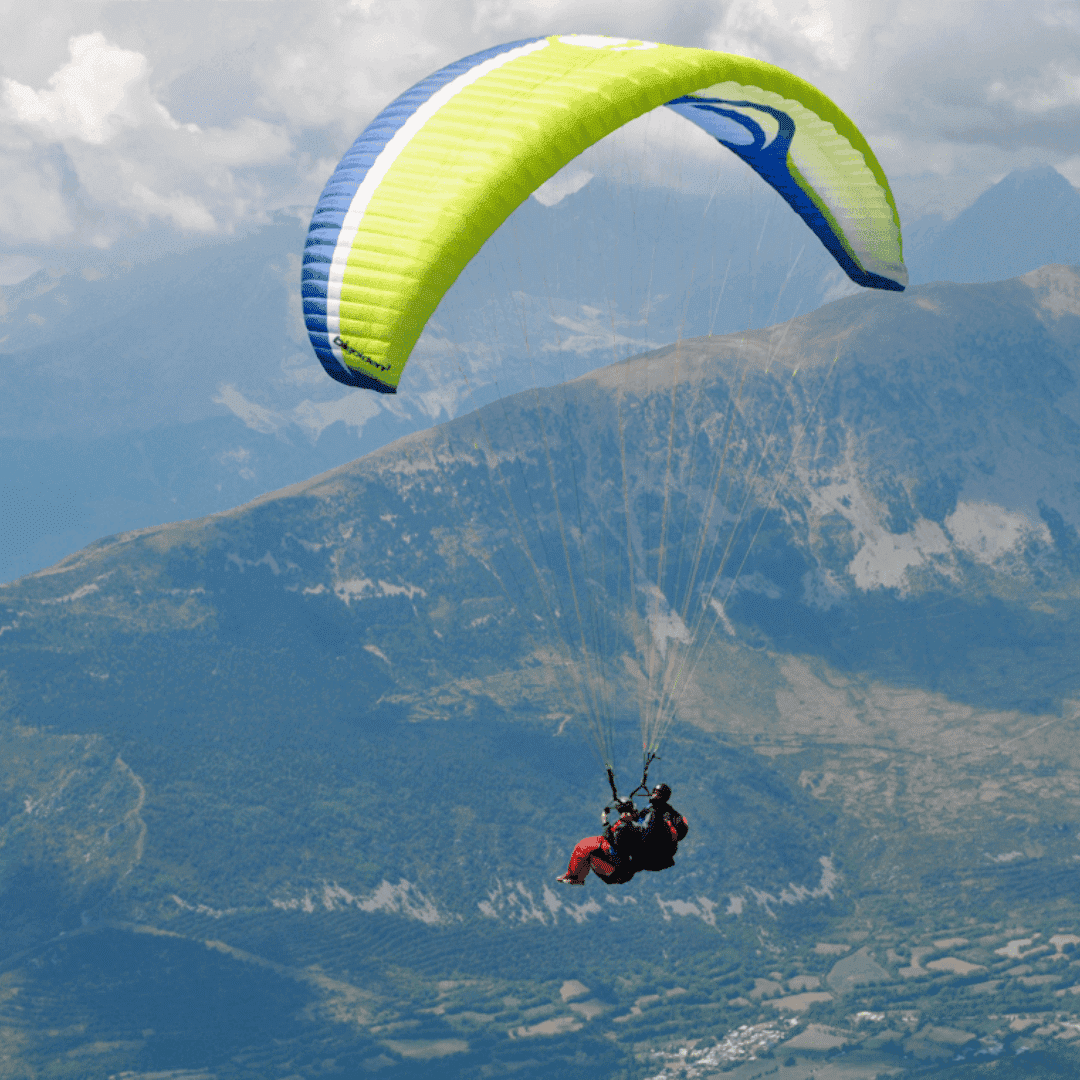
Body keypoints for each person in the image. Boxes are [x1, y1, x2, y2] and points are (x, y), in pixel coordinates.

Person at [556, 803, 640, 885]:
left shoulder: (626, 829)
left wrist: (604, 820)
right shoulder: (628, 825)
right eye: (622, 812)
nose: (623, 814)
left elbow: (610, 837)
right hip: (619, 868)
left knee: (586, 849)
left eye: (626, 812)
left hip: (616, 872)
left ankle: (575, 877)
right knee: (586, 845)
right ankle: (574, 875)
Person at [630, 783, 689, 872]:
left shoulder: (669, 814)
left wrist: (668, 826)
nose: (653, 794)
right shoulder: (649, 809)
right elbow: (638, 819)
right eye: (654, 791)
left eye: (656, 792)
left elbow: (680, 832)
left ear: (662, 796)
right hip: (645, 851)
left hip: (658, 852)